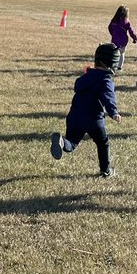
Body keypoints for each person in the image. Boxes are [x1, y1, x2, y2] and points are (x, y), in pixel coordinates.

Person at [50, 43, 121, 177]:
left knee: (71, 143)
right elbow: (108, 97)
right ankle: (105, 170)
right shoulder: (106, 79)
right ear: (112, 64)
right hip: (94, 119)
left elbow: (77, 85)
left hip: (75, 116)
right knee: (102, 143)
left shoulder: (87, 76)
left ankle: (61, 142)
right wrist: (113, 112)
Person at [107, 5, 137, 70]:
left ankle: (114, 65)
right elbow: (131, 31)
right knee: (122, 53)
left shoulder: (113, 21)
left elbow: (110, 28)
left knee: (114, 53)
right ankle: (119, 66)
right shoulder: (126, 22)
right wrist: (134, 38)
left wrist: (113, 34)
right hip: (123, 40)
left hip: (115, 40)